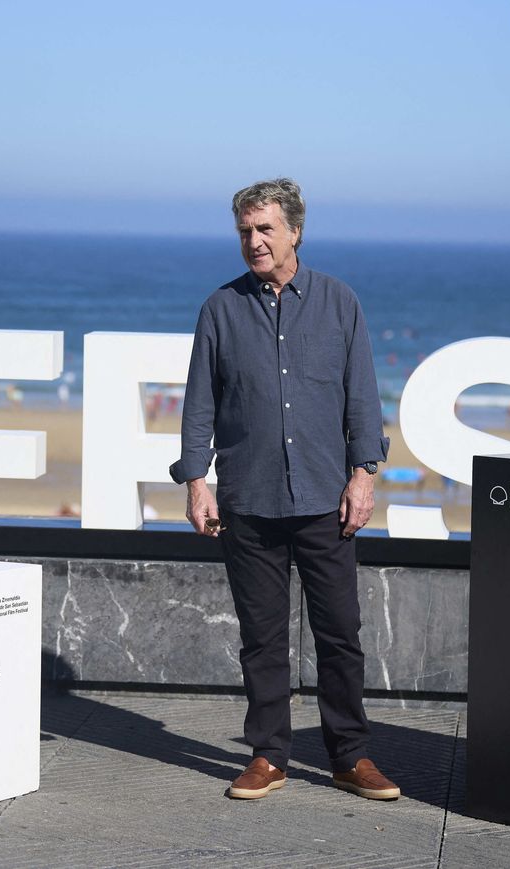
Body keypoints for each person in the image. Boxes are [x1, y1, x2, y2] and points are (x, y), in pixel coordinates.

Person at [169, 178, 400, 802]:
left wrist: (363, 475)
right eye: (245, 231)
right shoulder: (220, 308)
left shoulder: (338, 302)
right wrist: (197, 482)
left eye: (266, 229)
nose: (254, 241)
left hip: (327, 499)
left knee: (341, 633)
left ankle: (350, 757)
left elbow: (361, 399)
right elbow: (199, 405)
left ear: (295, 231)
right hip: (249, 499)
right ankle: (269, 756)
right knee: (262, 639)